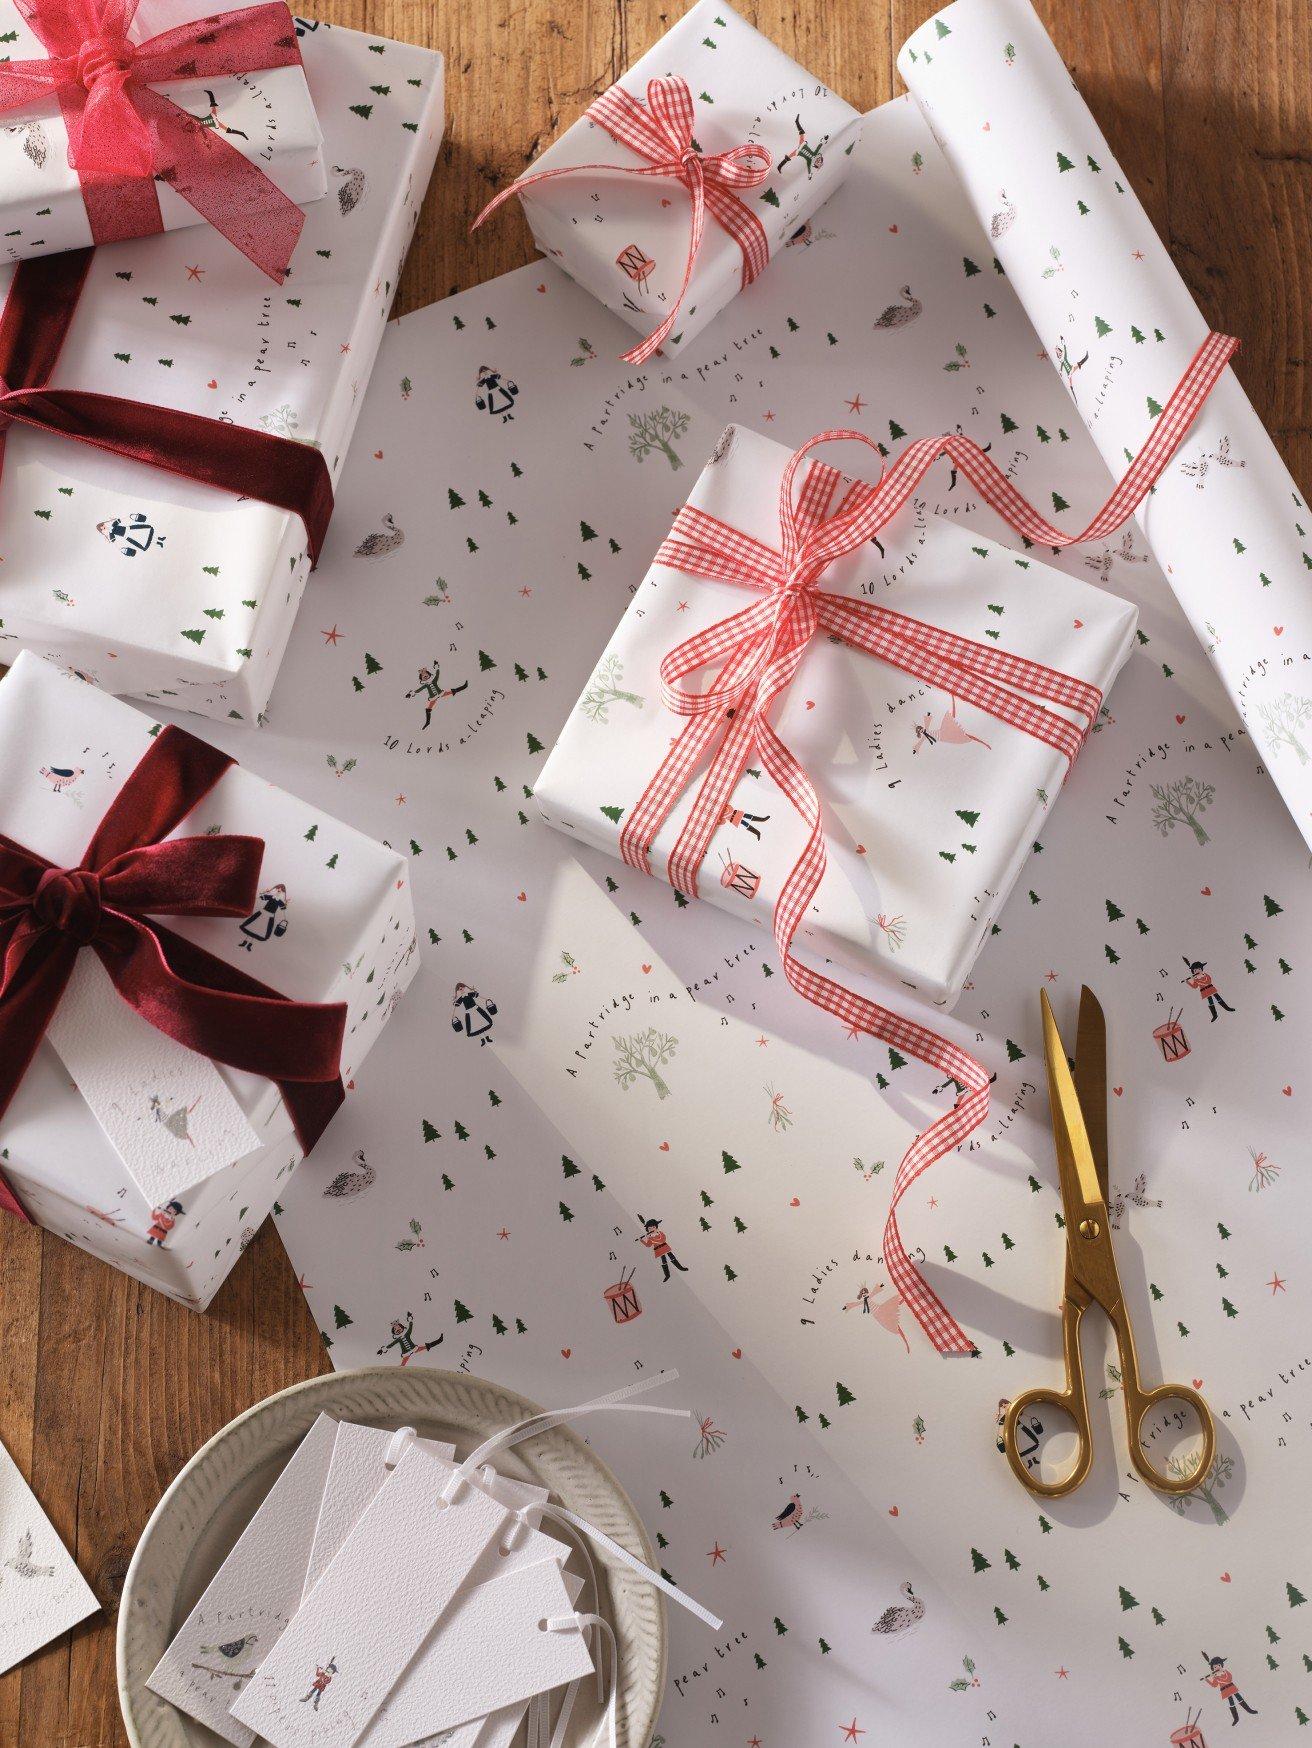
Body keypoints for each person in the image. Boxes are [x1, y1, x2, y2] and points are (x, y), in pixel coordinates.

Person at [1201, 1652, 1257, 1724]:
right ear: (1213, 1668)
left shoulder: (1225, 1672)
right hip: (1225, 1691)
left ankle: (1249, 1710)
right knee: (1231, 1703)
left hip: (1231, 1687)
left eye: (1218, 1665)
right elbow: (1214, 1685)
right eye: (1215, 1667)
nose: (1217, 1667)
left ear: (1221, 1665)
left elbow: (1228, 1679)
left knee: (1239, 1698)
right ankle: (1236, 1718)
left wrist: (1220, 1676)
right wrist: (1207, 1680)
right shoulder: (1215, 1676)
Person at [636, 1216, 688, 1282]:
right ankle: (667, 1275)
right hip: (659, 1250)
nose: (651, 1229)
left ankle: (680, 1267)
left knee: (672, 1257)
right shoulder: (650, 1237)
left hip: (665, 1247)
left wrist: (652, 1237)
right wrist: (642, 1240)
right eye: (649, 1228)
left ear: (656, 1227)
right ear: (647, 1229)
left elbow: (662, 1239)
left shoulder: (660, 1233)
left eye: (653, 1227)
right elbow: (648, 1245)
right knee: (664, 1261)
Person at [1183, 957, 1234, 1022]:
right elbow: (1195, 986)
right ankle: (1214, 1015)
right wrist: (1188, 982)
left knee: (1218, 998)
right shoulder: (1195, 979)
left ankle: (1227, 1008)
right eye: (1195, 970)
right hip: (1205, 991)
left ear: (1201, 969)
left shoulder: (1205, 975)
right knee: (1210, 1001)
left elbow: (1208, 981)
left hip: (1210, 988)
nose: (1198, 971)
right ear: (1193, 971)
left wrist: (1200, 979)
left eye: (1199, 969)